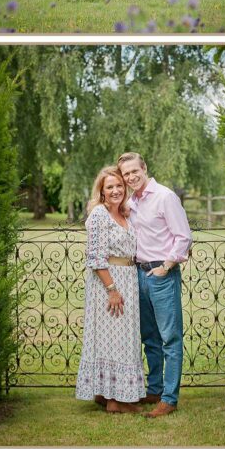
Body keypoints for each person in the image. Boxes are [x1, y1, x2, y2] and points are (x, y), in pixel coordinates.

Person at [118, 152, 192, 418]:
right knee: (149, 337)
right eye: (126, 174)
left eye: (134, 171)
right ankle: (155, 388)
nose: (131, 177)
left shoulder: (165, 197)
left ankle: (169, 399)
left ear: (144, 168)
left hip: (162, 274)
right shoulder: (132, 202)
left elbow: (183, 237)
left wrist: (167, 267)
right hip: (139, 274)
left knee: (169, 338)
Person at [75, 166, 145, 413]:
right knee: (112, 340)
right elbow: (95, 258)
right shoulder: (99, 215)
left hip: (128, 278)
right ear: (102, 192)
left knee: (124, 339)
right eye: (110, 187)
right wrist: (112, 290)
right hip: (109, 283)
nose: (115, 191)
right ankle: (116, 401)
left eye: (119, 186)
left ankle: (105, 394)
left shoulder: (124, 214)